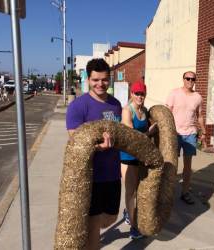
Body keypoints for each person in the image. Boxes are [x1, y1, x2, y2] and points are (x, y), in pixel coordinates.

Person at [66, 58, 122, 250]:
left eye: (104, 80)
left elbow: (120, 134)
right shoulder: (78, 106)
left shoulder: (116, 104)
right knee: (94, 227)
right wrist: (98, 148)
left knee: (110, 218)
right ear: (88, 79)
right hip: (91, 176)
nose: (100, 84)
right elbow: (76, 143)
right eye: (96, 80)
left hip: (113, 173)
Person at [120, 81, 155, 239]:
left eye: (142, 93)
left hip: (140, 156)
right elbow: (132, 136)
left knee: (139, 190)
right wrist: (149, 133)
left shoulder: (145, 111)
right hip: (128, 156)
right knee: (131, 192)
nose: (140, 96)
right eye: (137, 93)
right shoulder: (127, 111)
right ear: (131, 94)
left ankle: (129, 213)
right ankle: (133, 229)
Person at [166, 71, 207, 205]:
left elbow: (199, 116)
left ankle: (185, 192)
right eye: (187, 78)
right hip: (175, 133)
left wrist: (203, 132)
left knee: (188, 166)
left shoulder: (198, 97)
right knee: (172, 164)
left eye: (193, 79)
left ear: (195, 81)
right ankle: (168, 192)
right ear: (183, 79)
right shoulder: (174, 93)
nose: (190, 81)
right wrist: (165, 130)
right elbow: (167, 112)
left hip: (190, 133)